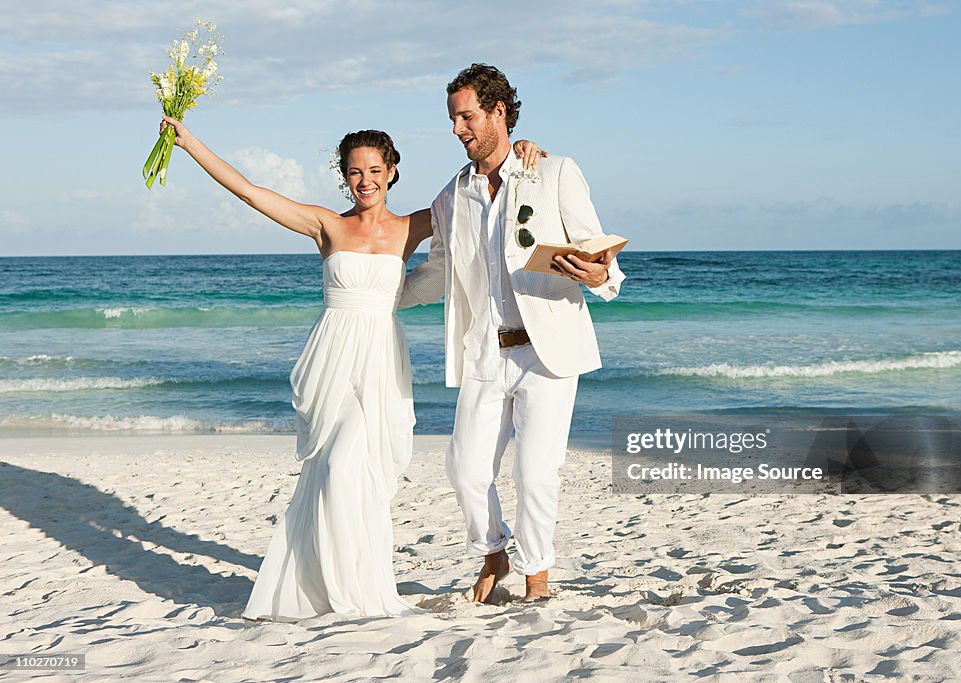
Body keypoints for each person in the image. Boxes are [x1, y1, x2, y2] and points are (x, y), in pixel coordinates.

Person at [157, 115, 544, 620]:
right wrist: (189, 144)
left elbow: (486, 200)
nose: (366, 180)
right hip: (331, 360)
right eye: (355, 172)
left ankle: (360, 585)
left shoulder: (413, 226)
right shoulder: (328, 224)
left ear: (392, 172)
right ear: (345, 176)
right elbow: (250, 192)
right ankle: (324, 586)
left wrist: (523, 154)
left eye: (375, 169)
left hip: (380, 360)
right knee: (332, 467)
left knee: (358, 472)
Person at [399, 64, 625, 603]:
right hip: (483, 349)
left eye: (467, 116)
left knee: (536, 471)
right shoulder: (450, 197)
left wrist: (600, 275)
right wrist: (373, 295)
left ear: (499, 112)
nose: (458, 129)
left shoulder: (552, 171)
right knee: (464, 469)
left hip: (546, 350)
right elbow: (436, 274)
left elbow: (600, 254)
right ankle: (493, 551)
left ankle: (536, 576)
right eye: (454, 119)